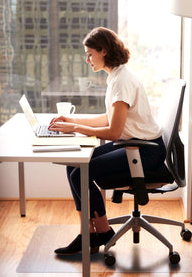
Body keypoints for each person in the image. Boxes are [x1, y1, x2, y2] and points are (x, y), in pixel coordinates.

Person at [49, 27, 167, 255]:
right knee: (73, 164)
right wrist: (73, 119)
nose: (87, 60)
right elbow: (110, 118)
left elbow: (113, 132)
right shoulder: (116, 75)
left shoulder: (121, 80)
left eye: (90, 54)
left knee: (82, 171)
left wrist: (74, 127)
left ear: (103, 51)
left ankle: (100, 232)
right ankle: (90, 233)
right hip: (134, 144)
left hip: (144, 151)